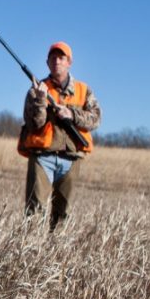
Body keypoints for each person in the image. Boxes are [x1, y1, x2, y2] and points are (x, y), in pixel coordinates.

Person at [18, 41, 101, 231]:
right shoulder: (36, 90)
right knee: (34, 211)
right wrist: (40, 100)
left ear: (69, 62)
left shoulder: (83, 90)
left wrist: (72, 114)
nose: (57, 61)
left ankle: (56, 256)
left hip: (71, 157)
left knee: (63, 214)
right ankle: (30, 255)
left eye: (61, 58)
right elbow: (34, 124)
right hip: (42, 156)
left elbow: (96, 118)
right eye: (53, 58)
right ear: (47, 63)